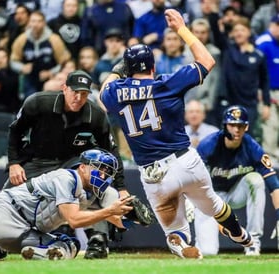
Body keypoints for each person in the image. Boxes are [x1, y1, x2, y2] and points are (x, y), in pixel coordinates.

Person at [99, 8, 253, 259]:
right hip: (184, 162)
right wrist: (181, 28)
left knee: (174, 229)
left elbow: (103, 94)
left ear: (127, 68)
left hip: (153, 174)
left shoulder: (116, 90)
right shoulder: (165, 83)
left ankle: (180, 242)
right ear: (152, 65)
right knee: (213, 204)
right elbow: (207, 61)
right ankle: (238, 233)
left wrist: (118, 71)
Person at [4, 69, 148, 259]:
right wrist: (14, 163)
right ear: (64, 88)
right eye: (75, 92)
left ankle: (98, 239)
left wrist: (121, 187)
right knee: (7, 197)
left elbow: (111, 152)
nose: (79, 98)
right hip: (38, 160)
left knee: (93, 189)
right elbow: (15, 131)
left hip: (74, 163)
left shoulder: (95, 115)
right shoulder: (38, 102)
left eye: (84, 94)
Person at [0, 149, 135, 260]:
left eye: (107, 172)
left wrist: (133, 218)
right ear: (82, 167)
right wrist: (109, 210)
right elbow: (74, 220)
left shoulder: (91, 193)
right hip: (7, 212)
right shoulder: (66, 178)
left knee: (70, 245)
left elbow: (117, 220)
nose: (102, 175)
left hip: (28, 232)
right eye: (99, 168)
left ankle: (45, 254)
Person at [194, 105, 279, 255]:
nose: (237, 130)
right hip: (211, 198)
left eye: (241, 125)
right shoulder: (209, 144)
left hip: (235, 192)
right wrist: (190, 201)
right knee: (208, 252)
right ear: (225, 126)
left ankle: (253, 242)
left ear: (246, 127)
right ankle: (201, 243)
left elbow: (273, 184)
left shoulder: (252, 146)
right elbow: (190, 176)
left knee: (256, 180)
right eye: (232, 125)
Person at [255, 14, 279, 167]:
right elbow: (256, 72)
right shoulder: (263, 43)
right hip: (267, 93)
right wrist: (262, 96)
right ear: (274, 25)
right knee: (270, 128)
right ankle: (269, 166)